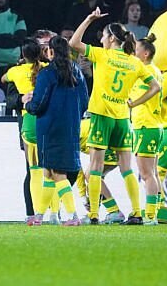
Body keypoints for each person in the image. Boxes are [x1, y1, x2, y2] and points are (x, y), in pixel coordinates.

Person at [68, 11, 160, 225]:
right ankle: (136, 213)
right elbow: (156, 87)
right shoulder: (135, 62)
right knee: (127, 169)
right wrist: (134, 103)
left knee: (95, 168)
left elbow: (73, 43)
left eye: (103, 35)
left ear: (111, 38)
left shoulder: (102, 55)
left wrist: (89, 19)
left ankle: (93, 214)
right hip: (123, 119)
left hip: (102, 116)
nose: (101, 39)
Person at [25, 36, 89, 227]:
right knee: (48, 173)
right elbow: (85, 101)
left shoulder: (47, 73)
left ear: (51, 51)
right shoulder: (76, 71)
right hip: (71, 127)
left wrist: (27, 104)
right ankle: (39, 215)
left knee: (58, 173)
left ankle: (73, 216)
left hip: (50, 128)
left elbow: (38, 104)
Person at [2, 39, 47, 224]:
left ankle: (40, 213)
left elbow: (3, 78)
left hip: (29, 124)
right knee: (41, 171)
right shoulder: (46, 70)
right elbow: (9, 100)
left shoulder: (16, 71)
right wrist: (20, 99)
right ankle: (36, 211)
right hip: (41, 122)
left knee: (36, 170)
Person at [130, 34, 164, 224]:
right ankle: (155, 212)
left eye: (136, 50)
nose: (133, 53)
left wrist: (132, 104)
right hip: (154, 125)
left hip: (145, 125)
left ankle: (150, 215)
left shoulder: (146, 72)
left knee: (146, 174)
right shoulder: (155, 70)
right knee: (153, 173)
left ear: (145, 54)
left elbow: (154, 89)